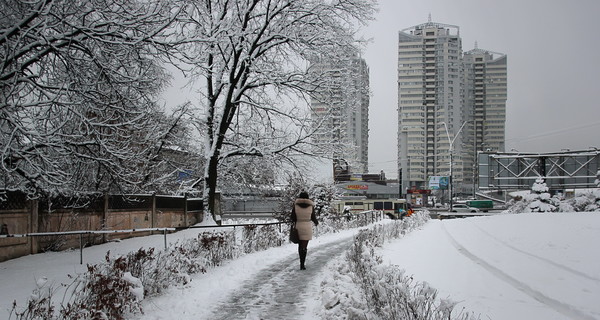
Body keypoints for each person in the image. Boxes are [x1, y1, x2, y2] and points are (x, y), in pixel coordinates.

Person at [291, 191, 319, 270]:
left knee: (300, 246)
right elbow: (313, 217)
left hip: (298, 226)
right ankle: (303, 264)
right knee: (304, 246)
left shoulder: (295, 206)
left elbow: (292, 217)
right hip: (307, 227)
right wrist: (316, 223)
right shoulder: (311, 206)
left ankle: (301, 263)